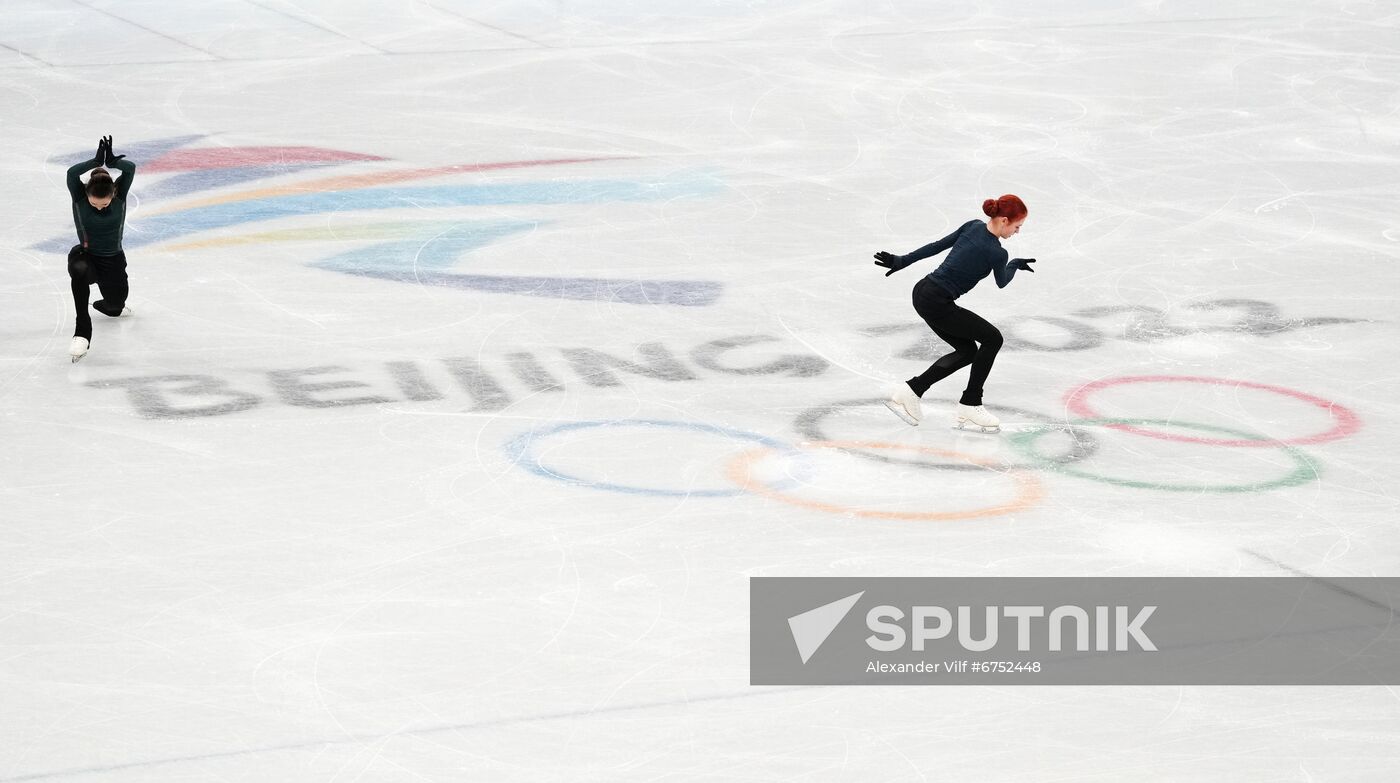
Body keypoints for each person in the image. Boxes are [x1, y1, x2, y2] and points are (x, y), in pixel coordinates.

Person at [872, 194, 1037, 432]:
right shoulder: (997, 253)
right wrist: (1013, 265)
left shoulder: (973, 226)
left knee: (968, 351)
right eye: (1017, 226)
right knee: (993, 338)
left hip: (922, 292)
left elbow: (935, 246)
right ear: (1003, 220)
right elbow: (1002, 282)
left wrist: (902, 261)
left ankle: (912, 390)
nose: (1017, 232)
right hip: (937, 302)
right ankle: (971, 403)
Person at [65, 135, 136, 362]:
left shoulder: (120, 197)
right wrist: (95, 163)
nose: (99, 208)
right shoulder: (79, 198)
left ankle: (105, 304)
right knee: (79, 269)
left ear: (113, 194)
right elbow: (71, 174)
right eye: (94, 204)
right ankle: (82, 333)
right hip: (86, 256)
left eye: (104, 204)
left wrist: (114, 163)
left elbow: (130, 168)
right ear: (86, 195)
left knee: (115, 306)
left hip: (113, 260)